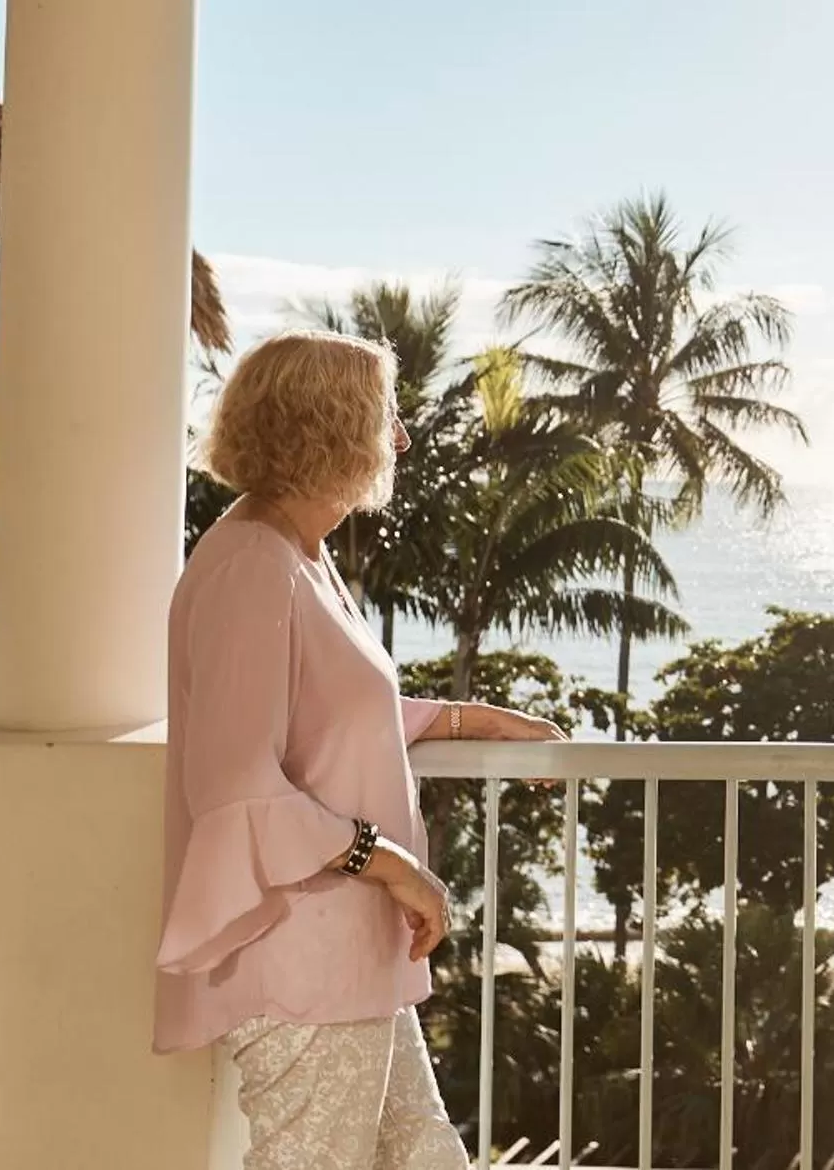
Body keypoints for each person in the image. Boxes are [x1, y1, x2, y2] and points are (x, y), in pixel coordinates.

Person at [153, 328, 567, 1169]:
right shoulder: (252, 566)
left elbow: (327, 713)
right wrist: (399, 868)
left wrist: (467, 719)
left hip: (347, 947)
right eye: (386, 415)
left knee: (423, 1156)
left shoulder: (297, 555)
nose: (401, 439)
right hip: (300, 952)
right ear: (330, 428)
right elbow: (237, 785)